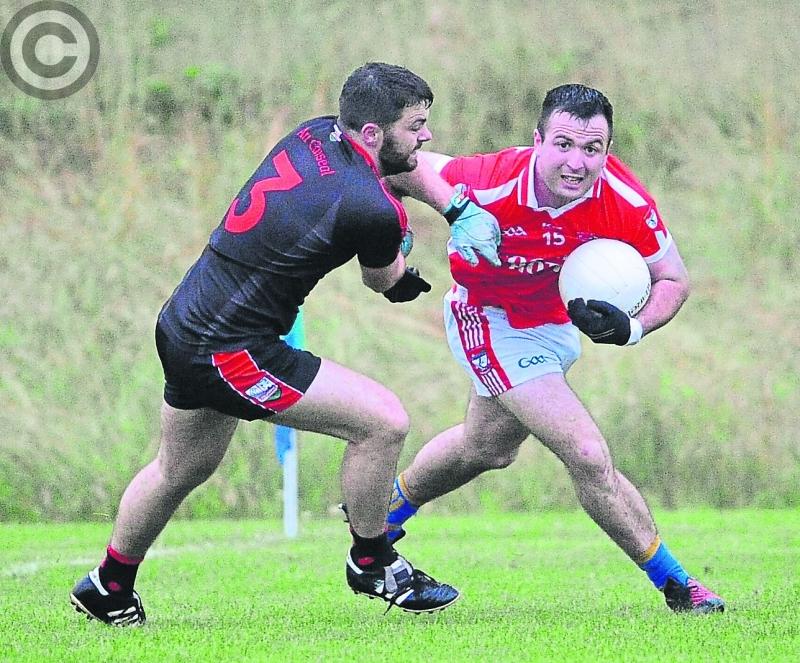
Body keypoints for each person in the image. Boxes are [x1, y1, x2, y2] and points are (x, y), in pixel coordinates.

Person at [69, 62, 503, 626]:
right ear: (372, 133)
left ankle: (108, 586)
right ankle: (372, 562)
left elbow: (397, 173)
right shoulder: (370, 208)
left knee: (179, 468)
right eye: (416, 125)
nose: (426, 138)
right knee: (382, 423)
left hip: (184, 319)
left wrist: (453, 208)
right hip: (230, 348)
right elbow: (385, 280)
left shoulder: (313, 132)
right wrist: (409, 273)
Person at [381, 84, 725, 614]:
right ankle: (680, 587)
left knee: (486, 448)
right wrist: (392, 236)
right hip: (488, 318)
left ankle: (381, 517)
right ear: (536, 139)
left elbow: (673, 280)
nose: (576, 162)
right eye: (563, 144)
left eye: (592, 149)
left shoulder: (624, 201)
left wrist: (631, 328)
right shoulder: (488, 181)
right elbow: (392, 167)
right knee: (587, 453)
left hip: (554, 327)